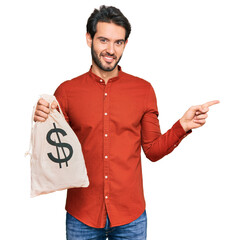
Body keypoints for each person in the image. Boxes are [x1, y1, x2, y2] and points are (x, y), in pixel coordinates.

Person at [34, 5, 219, 240]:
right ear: (89, 39)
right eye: (103, 40)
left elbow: (152, 150)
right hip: (82, 216)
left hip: (131, 217)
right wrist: (41, 120)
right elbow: (54, 153)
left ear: (125, 44)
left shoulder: (143, 90)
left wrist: (181, 126)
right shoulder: (67, 91)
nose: (110, 49)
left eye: (118, 42)